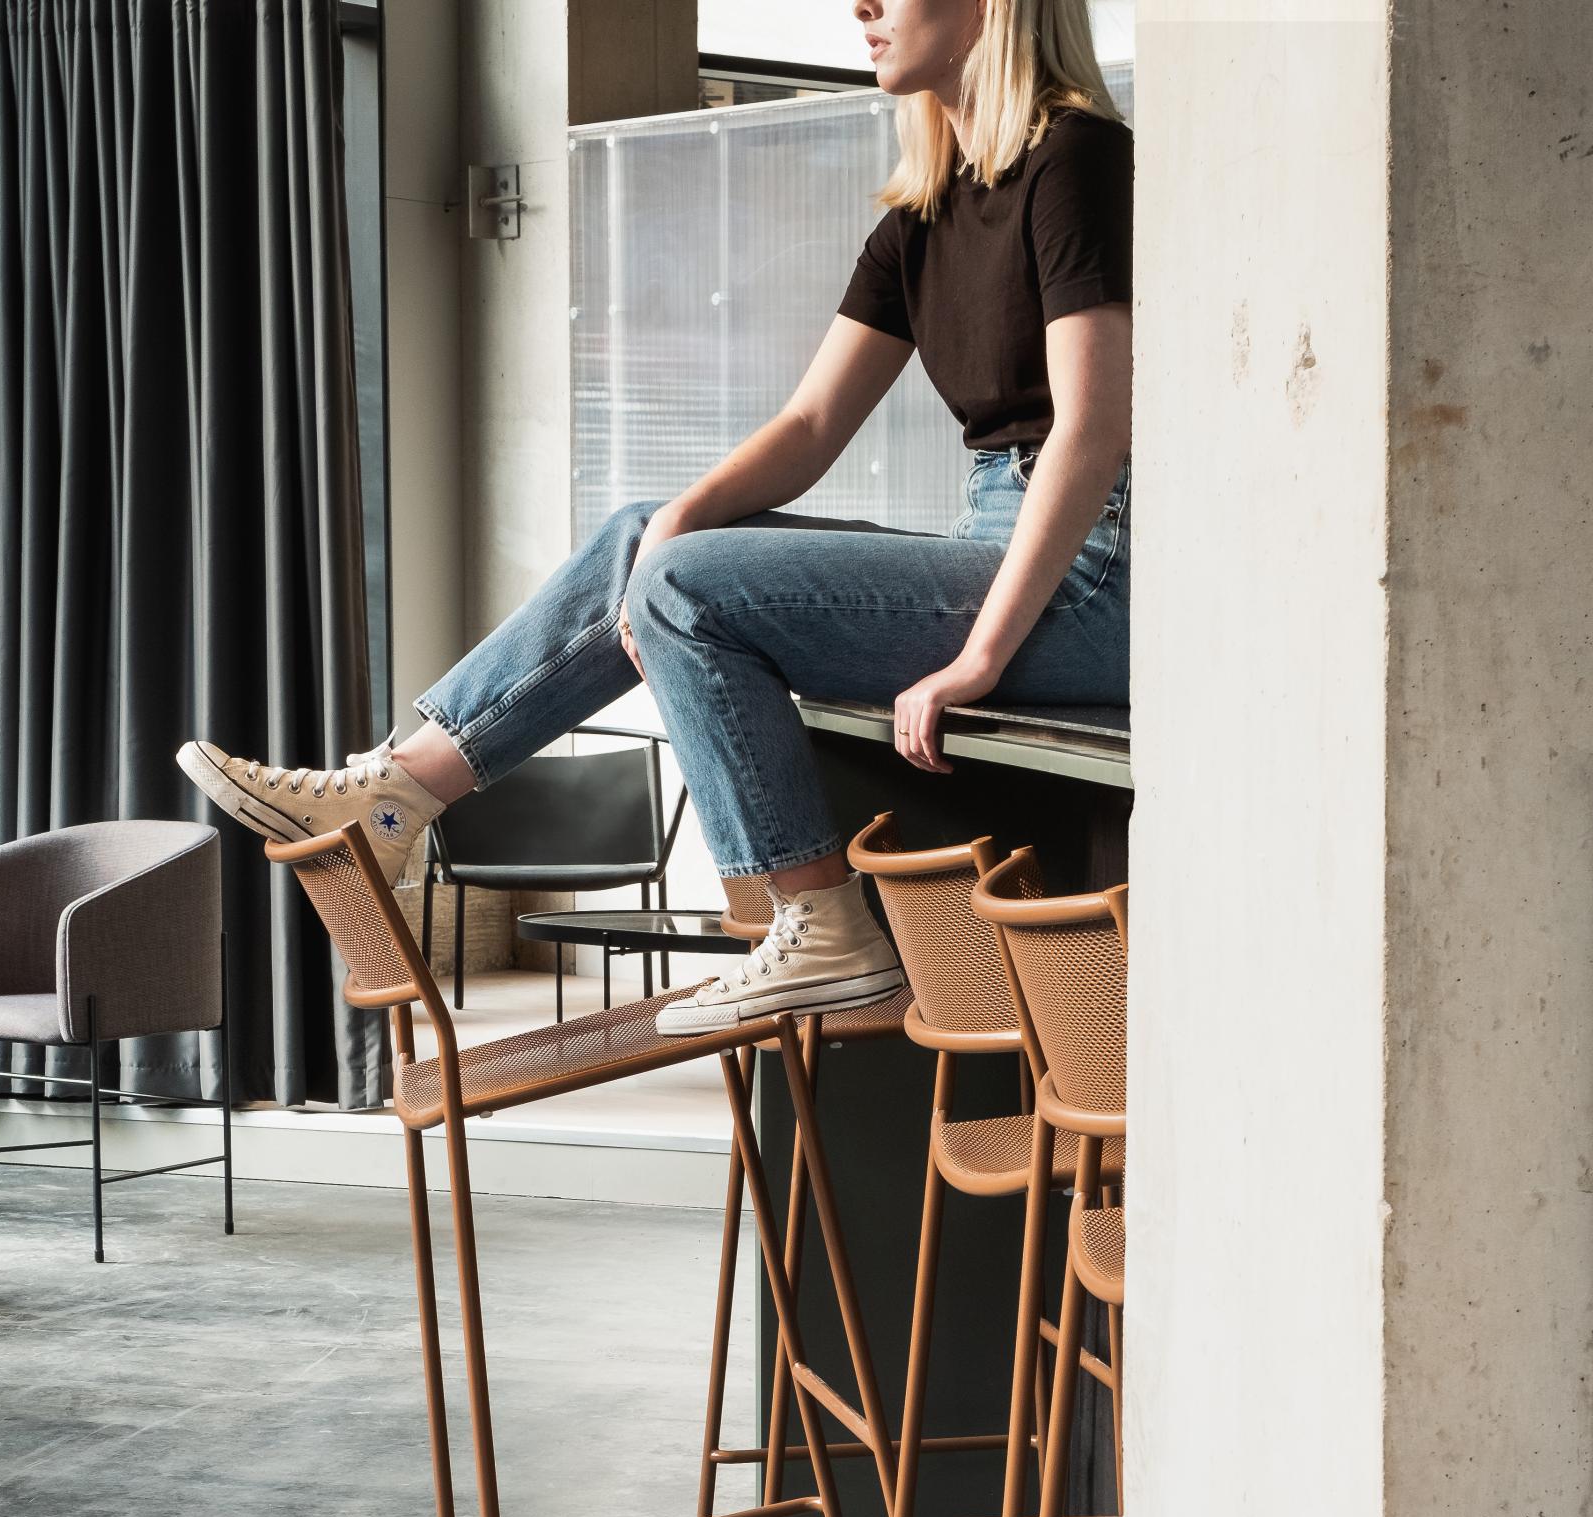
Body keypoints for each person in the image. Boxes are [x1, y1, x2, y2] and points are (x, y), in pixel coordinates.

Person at [177, 0, 1132, 1035]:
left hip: (1098, 567)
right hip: (996, 531)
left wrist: (978, 657)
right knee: (647, 535)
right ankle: (395, 793)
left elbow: (1093, 426)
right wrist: (670, 525)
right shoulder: (928, 209)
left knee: (682, 585)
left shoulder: (1077, 158)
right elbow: (811, 424)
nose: (858, 5)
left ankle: (826, 929)